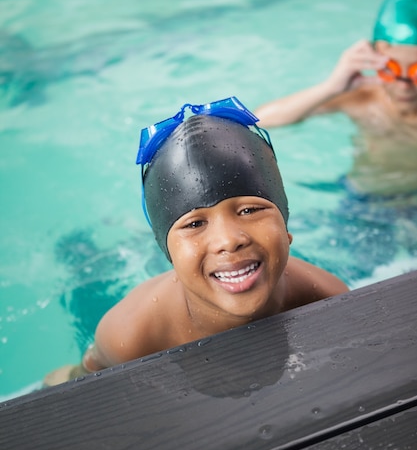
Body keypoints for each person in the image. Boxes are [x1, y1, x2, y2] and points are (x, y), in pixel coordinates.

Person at [44, 97, 348, 386]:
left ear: (286, 230)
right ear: (169, 254)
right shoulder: (131, 334)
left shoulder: (325, 296)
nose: (228, 240)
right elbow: (80, 382)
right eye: (195, 223)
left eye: (249, 210)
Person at [255, 0, 417, 198]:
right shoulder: (365, 98)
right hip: (366, 198)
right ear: (374, 56)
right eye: (390, 69)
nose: (403, 85)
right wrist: (331, 87)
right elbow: (259, 120)